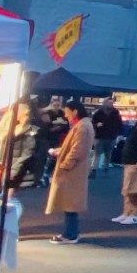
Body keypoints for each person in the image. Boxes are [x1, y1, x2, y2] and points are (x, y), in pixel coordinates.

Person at [46, 102, 93, 242]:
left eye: (67, 112)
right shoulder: (83, 125)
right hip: (75, 169)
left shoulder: (82, 126)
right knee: (70, 203)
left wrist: (65, 164)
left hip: (73, 170)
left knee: (70, 203)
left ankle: (70, 234)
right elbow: (75, 147)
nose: (65, 115)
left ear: (75, 111)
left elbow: (77, 150)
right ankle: (70, 233)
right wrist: (60, 152)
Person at [89, 102, 123, 176]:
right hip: (100, 136)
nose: (111, 104)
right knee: (97, 153)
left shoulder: (115, 113)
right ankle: (95, 168)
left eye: (111, 103)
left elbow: (119, 123)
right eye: (109, 103)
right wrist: (96, 125)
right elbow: (92, 123)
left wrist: (118, 133)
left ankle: (104, 167)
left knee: (107, 153)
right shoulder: (99, 112)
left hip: (110, 136)